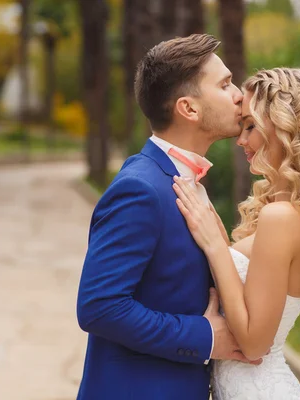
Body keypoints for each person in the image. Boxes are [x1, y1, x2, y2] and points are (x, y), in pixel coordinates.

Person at [76, 34, 255, 400]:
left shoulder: (183, 181)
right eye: (224, 85)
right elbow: (99, 306)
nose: (239, 94)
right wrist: (205, 337)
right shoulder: (140, 189)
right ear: (188, 109)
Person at [172, 67, 300, 399]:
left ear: (284, 127)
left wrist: (217, 247)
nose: (241, 139)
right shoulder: (288, 211)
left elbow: (254, 344)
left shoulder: (281, 217)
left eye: (251, 126)